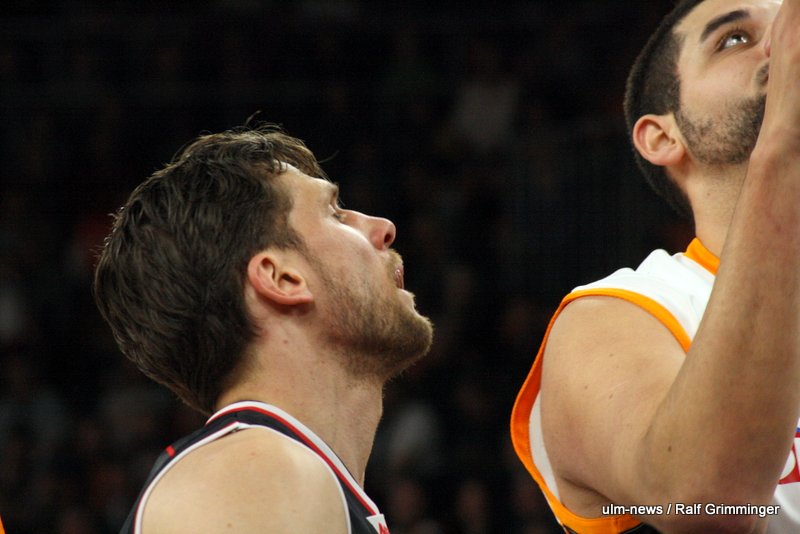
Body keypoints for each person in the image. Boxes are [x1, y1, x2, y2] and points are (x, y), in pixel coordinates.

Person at [510, 0, 800, 532]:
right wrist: (786, 144)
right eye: (734, 39)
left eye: (785, 27)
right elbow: (706, 501)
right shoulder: (617, 314)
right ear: (663, 136)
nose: (781, 45)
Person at [93, 124, 434, 533]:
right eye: (335, 213)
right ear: (282, 279)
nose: (383, 227)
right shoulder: (260, 473)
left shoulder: (270, 473)